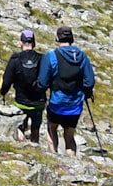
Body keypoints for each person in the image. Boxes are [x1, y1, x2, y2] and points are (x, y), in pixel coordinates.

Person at [37, 25, 96, 155]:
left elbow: (42, 83)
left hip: (57, 103)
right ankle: (73, 164)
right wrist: (83, 91)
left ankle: (54, 157)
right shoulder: (82, 56)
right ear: (72, 39)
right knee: (69, 136)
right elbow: (90, 82)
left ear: (57, 39)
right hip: (75, 105)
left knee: (52, 128)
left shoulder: (52, 56)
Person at [0, 29, 46, 145]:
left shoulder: (15, 59)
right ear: (34, 44)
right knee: (35, 128)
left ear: (21, 43)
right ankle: (35, 146)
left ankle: (22, 146)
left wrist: (3, 92)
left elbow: (6, 81)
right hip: (38, 102)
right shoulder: (42, 58)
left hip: (20, 102)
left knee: (20, 126)